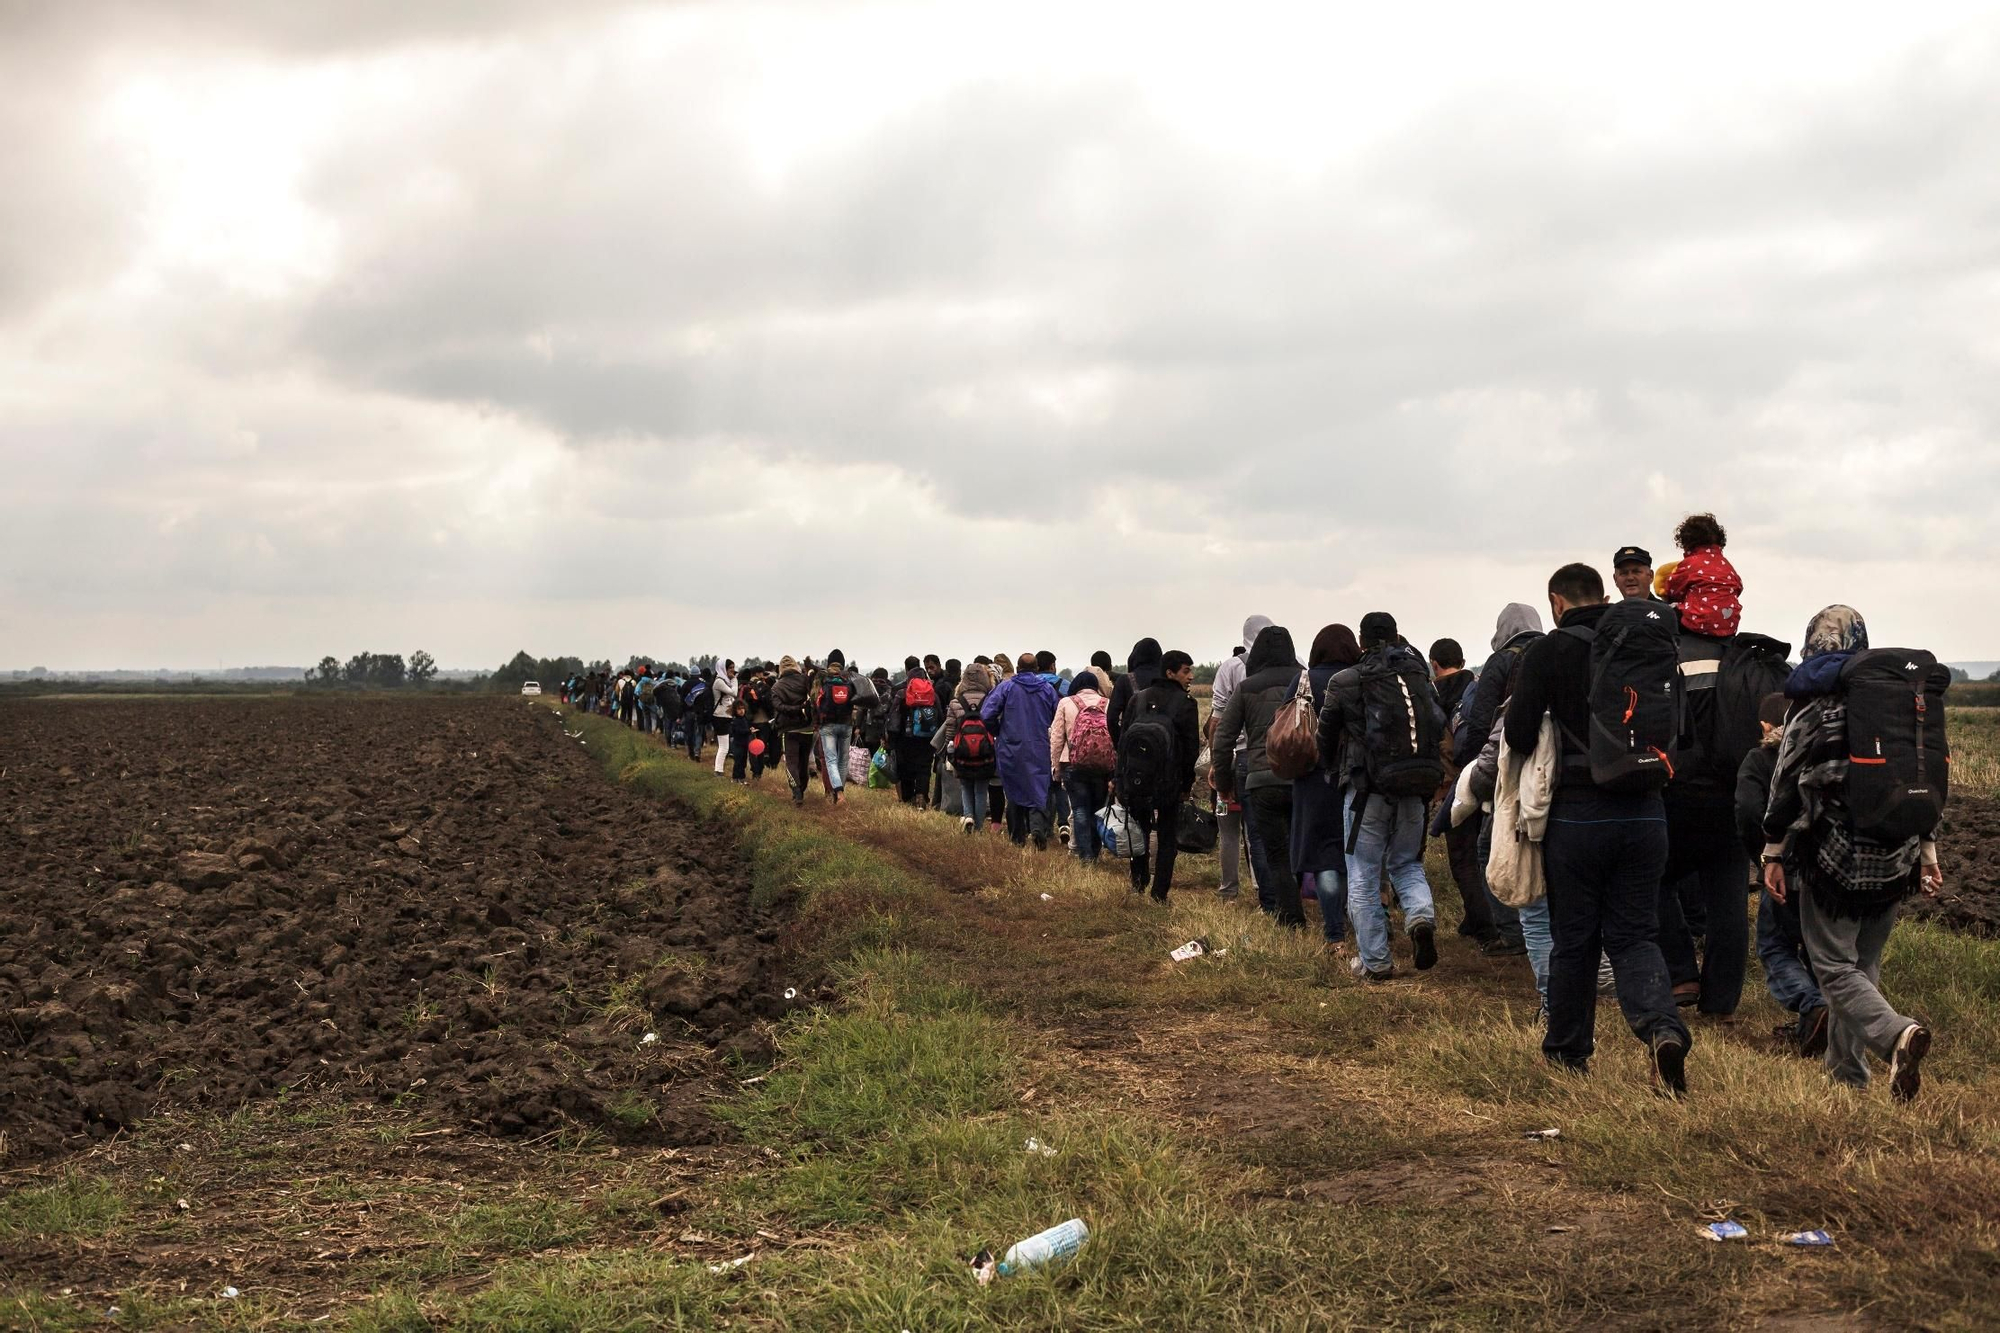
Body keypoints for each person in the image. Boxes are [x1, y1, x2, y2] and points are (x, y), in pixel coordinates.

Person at [1504, 564, 1690, 1093]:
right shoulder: (1650, 645)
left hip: (1578, 815)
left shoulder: (1550, 650)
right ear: (1605, 596)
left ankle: (1567, 1052)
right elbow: (1683, 733)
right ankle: (1662, 1029)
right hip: (1646, 811)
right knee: (1635, 934)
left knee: (1575, 940)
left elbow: (1518, 735)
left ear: (1556, 602)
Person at [1761, 606, 1942, 1102]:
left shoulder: (1813, 705)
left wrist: (1773, 850)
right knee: (1864, 966)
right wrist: (1927, 851)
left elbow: (1786, 783)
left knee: (1834, 968)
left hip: (1835, 859)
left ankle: (1895, 1034)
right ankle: (1846, 1077)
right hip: (1897, 854)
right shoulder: (1900, 703)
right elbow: (1926, 777)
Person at [1318, 612, 1445, 982]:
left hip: (1366, 791)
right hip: (1415, 786)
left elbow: (1325, 735)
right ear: (1396, 635)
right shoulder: (1419, 675)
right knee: (1407, 863)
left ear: (1361, 642)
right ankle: (1420, 917)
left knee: (1363, 872)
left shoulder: (1346, 680)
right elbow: (1438, 723)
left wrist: (1331, 770)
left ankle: (1375, 961)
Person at [1737, 692, 1826, 1056]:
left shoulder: (1760, 759)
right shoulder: (1827, 748)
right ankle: (1821, 1025)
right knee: (1823, 949)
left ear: (1765, 726)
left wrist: (1761, 857)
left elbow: (1746, 810)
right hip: (1829, 863)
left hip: (1783, 862)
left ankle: (1811, 1004)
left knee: (1775, 945)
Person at [1454, 604, 1544, 955]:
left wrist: (1475, 766)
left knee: (1489, 847)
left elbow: (1482, 720)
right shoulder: (1552, 651)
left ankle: (1510, 931)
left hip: (1508, 766)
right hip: (1550, 765)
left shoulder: (1501, 660)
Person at [1211, 625, 1308, 928]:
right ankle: (1305, 896)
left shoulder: (1247, 687)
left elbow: (1224, 738)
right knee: (1301, 844)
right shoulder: (1305, 683)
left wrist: (1224, 784)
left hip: (1260, 778)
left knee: (1271, 850)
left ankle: (1285, 913)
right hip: (1303, 778)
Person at [1429, 637, 1500, 945]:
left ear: (1434, 665)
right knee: (1483, 854)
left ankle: (1485, 926)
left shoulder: (1433, 695)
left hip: (1456, 785)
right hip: (1486, 777)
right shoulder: (1477, 688)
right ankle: (1476, 918)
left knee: (1462, 860)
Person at [1117, 649, 1201, 900]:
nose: (1191, 676)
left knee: (1138, 830)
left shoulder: (1137, 699)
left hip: (1136, 779)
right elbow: (1190, 749)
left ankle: (1138, 882)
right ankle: (1159, 892)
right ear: (1170, 672)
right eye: (1186, 670)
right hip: (1169, 781)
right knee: (1167, 837)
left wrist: (1120, 779)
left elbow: (1123, 743)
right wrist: (1187, 784)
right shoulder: (1186, 704)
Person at [1296, 625, 1360, 951]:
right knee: (1357, 852)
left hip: (1314, 777)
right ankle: (1363, 921)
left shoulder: (1306, 679)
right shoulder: (1360, 677)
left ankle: (1334, 934)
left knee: (1324, 856)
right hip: (1357, 776)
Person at [1207, 616, 1273, 905]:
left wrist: (1215, 764)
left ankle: (1229, 890)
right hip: (1275, 758)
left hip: (1235, 758)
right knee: (1260, 830)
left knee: (1230, 830)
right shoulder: (1293, 666)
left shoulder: (1231, 668)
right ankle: (1264, 889)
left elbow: (1216, 722)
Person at [982, 657, 1059, 848]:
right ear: (1036, 668)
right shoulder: (1047, 689)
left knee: (1014, 790)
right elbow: (1056, 717)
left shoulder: (1006, 688)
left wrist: (998, 730)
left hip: (1011, 746)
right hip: (1040, 746)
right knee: (1038, 788)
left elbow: (986, 714)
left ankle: (1017, 838)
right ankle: (1038, 829)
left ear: (1017, 668)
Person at [1050, 668, 1116, 862]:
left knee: (1079, 809)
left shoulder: (1066, 703)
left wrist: (1055, 767)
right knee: (1098, 809)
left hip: (1072, 763)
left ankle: (1085, 855)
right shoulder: (1107, 704)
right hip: (1103, 766)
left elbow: (1056, 738)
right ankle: (1096, 851)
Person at [1661, 512, 1742, 638]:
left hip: (1697, 625)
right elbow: (1738, 586)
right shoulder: (1727, 565)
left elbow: (1672, 590)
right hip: (1729, 625)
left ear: (1686, 542)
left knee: (1662, 612)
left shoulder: (1689, 564)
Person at [941, 661, 997, 832]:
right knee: (981, 789)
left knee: (965, 786)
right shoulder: (990, 700)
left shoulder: (956, 702)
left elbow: (950, 730)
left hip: (962, 752)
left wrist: (949, 750)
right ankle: (979, 827)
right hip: (985, 753)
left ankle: (968, 815)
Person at [887, 657, 940, 805]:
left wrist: (891, 739)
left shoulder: (902, 694)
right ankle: (921, 795)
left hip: (905, 739)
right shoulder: (933, 695)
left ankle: (908, 798)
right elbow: (940, 717)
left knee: (906, 769)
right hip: (927, 738)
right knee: (924, 768)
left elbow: (893, 718)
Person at [813, 650, 862, 806]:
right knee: (843, 760)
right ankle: (839, 792)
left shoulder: (823, 678)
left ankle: (838, 792)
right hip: (846, 724)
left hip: (827, 725)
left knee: (831, 760)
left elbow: (815, 699)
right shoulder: (848, 678)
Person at [769, 656, 818, 805]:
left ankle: (796, 791)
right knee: (803, 762)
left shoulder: (776, 687)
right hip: (807, 728)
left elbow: (778, 707)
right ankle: (802, 789)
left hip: (789, 729)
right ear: (796, 666)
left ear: (781, 670)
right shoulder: (805, 680)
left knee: (791, 762)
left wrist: (794, 709)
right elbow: (814, 696)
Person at [1107, 638, 1162, 749]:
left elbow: (1112, 718)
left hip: (1133, 748)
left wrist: (1120, 743)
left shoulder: (1125, 680)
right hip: (1164, 747)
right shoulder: (1168, 679)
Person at [710, 661, 740, 775]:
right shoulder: (719, 681)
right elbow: (734, 693)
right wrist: (734, 680)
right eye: (730, 668)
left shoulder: (724, 681)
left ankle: (719, 770)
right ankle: (718, 770)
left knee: (724, 746)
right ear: (723, 669)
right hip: (720, 717)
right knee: (724, 746)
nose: (732, 670)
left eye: (733, 667)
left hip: (725, 716)